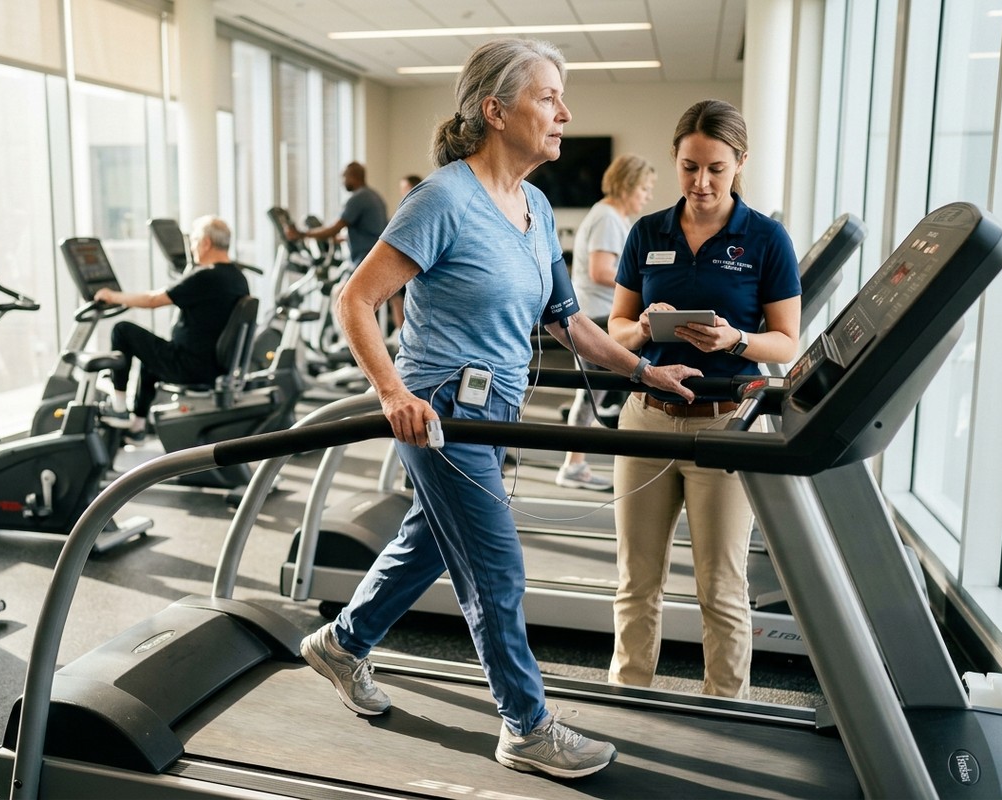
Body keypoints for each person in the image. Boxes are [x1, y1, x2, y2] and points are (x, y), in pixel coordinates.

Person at [298, 37, 701, 780]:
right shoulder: (443, 199)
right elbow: (354, 299)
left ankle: (342, 643)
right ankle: (525, 725)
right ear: (495, 110)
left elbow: (570, 324)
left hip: (495, 411)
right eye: (548, 97)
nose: (564, 113)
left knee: (428, 543)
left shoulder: (536, 206)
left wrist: (646, 372)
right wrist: (392, 393)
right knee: (497, 567)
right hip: (441, 410)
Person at [607, 99, 802, 698]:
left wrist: (734, 339)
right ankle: (627, 698)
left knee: (720, 586)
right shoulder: (648, 232)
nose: (701, 183)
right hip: (646, 419)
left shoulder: (766, 239)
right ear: (675, 159)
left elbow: (786, 342)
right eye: (690, 167)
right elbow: (616, 327)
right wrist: (643, 327)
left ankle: (727, 710)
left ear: (740, 162)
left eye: (716, 169)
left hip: (724, 426)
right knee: (636, 581)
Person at [93, 215, 249, 442]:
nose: (192, 247)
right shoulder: (238, 277)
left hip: (189, 366)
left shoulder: (206, 277)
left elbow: (153, 300)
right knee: (150, 359)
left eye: (194, 241)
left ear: (206, 243)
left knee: (122, 330)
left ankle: (118, 406)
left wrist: (112, 296)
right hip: (212, 366)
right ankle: (137, 426)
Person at [555, 154, 656, 491]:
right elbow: (601, 271)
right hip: (597, 317)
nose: (647, 196)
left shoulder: (613, 217)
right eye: (644, 189)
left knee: (595, 395)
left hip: (598, 315)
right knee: (592, 395)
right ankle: (574, 465)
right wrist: (642, 288)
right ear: (628, 184)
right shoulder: (608, 218)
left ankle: (577, 462)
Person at [286, 161, 388, 268]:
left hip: (365, 258)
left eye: (344, 177)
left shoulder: (358, 199)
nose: (342, 182)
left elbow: (334, 229)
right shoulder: (374, 196)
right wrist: (342, 239)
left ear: (352, 176)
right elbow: (370, 231)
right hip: (375, 256)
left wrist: (302, 234)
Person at [387, 174, 423, 336]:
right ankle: (399, 332)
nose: (402, 193)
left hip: (411, 265)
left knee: (396, 295)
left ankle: (400, 332)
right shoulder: (408, 209)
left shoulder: (415, 209)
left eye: (405, 189)